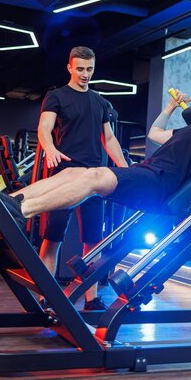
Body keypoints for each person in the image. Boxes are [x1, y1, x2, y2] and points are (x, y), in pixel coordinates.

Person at [5, 76, 191, 225]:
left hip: (159, 182)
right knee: (72, 173)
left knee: (94, 176)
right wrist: (170, 107)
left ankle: (23, 211)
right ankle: (12, 201)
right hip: (147, 173)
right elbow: (154, 134)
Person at [36, 46, 128, 310]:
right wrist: (50, 148)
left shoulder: (99, 101)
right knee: (53, 236)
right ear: (70, 68)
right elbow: (44, 128)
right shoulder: (56, 97)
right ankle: (46, 295)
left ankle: (91, 298)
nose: (85, 74)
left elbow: (109, 139)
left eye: (89, 69)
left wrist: (124, 168)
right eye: (80, 69)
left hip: (94, 177)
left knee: (93, 239)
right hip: (65, 174)